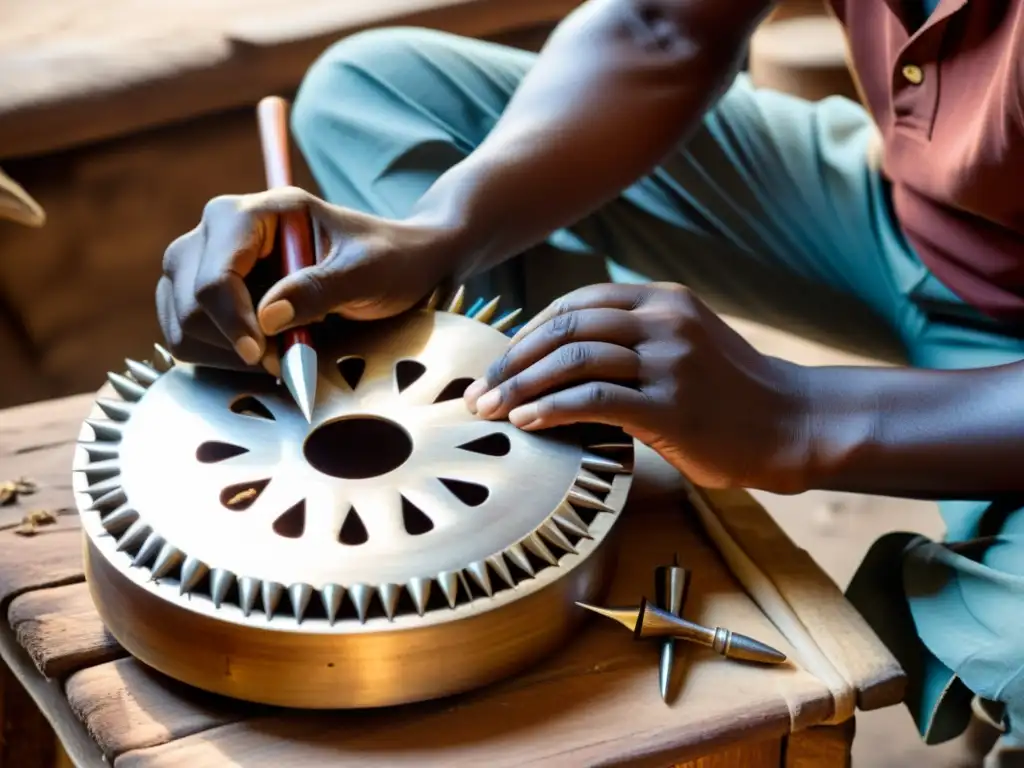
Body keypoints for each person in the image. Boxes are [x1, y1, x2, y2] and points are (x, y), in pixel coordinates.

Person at [156, 0, 1024, 759]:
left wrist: (795, 414)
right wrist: (437, 234)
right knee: (374, 92)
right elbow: (660, 24)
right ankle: (551, 457)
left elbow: (796, 416)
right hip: (914, 223)